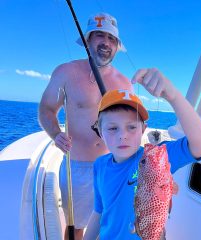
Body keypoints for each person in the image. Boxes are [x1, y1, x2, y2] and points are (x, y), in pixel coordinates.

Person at [83, 68, 201, 239]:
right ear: (100, 131)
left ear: (143, 130)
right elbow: (98, 212)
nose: (123, 135)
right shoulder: (99, 165)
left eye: (131, 127)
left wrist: (173, 96)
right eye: (113, 128)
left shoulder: (154, 158)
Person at [38, 12, 133, 239]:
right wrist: (55, 134)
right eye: (100, 36)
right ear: (88, 40)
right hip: (77, 168)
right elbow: (46, 109)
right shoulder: (66, 72)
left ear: (117, 46)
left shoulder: (124, 82)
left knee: (110, 225)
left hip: (113, 166)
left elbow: (130, 125)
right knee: (77, 228)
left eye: (112, 39)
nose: (106, 43)